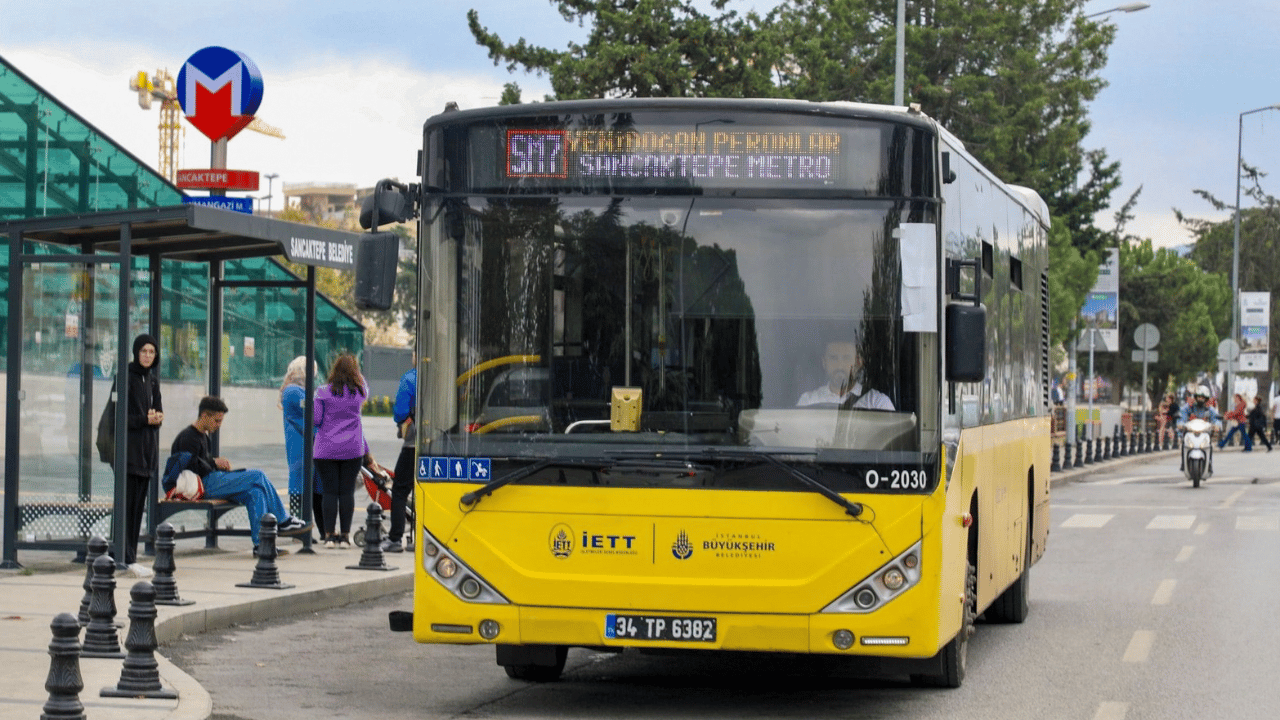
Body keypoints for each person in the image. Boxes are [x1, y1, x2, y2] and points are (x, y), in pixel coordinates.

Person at [171, 396, 312, 556]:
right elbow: (189, 467)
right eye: (216, 421)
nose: (219, 425)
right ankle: (283, 521)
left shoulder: (203, 436)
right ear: (204, 415)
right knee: (257, 476)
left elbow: (201, 463)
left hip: (209, 481)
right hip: (201, 485)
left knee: (255, 493)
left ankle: (262, 545)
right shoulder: (188, 437)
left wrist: (215, 464)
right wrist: (214, 462)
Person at [313, 353, 372, 549]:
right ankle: (345, 536)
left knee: (329, 492)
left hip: (326, 449)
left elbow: (316, 420)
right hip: (352, 449)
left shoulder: (322, 392)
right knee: (347, 493)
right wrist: (357, 375)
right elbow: (364, 386)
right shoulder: (359, 393)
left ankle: (329, 536)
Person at [122, 334, 164, 578]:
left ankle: (131, 556)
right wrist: (145, 419)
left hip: (147, 454)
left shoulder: (153, 381)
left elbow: (158, 412)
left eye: (151, 352)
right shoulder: (126, 377)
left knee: (138, 508)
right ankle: (124, 556)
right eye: (144, 351)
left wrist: (157, 418)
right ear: (136, 352)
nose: (148, 356)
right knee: (127, 507)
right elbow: (121, 417)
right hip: (130, 453)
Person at [280, 356, 323, 533]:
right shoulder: (293, 391)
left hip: (310, 445)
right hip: (300, 446)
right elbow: (314, 409)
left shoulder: (300, 391)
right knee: (299, 484)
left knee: (316, 487)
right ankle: (300, 528)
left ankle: (317, 529)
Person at [796, 339, 894, 410]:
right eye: (833, 358)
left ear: (858, 363)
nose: (840, 365)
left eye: (846, 358)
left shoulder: (877, 402)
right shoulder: (808, 401)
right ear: (824, 363)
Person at [383, 360, 417, 553]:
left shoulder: (411, 378)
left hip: (413, 443)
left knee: (400, 490)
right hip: (439, 443)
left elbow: (401, 411)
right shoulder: (442, 376)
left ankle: (395, 538)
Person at [1177, 386, 1222, 472]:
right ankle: (1183, 463)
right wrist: (1180, 424)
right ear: (1195, 397)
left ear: (1206, 399)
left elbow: (1216, 419)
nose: (1200, 399)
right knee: (1184, 444)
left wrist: (1217, 425)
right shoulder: (1189, 407)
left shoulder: (1209, 409)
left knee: (1209, 445)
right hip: (1190, 431)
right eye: (1199, 397)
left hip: (1204, 432)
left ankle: (1209, 463)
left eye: (1203, 397)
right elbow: (1182, 416)